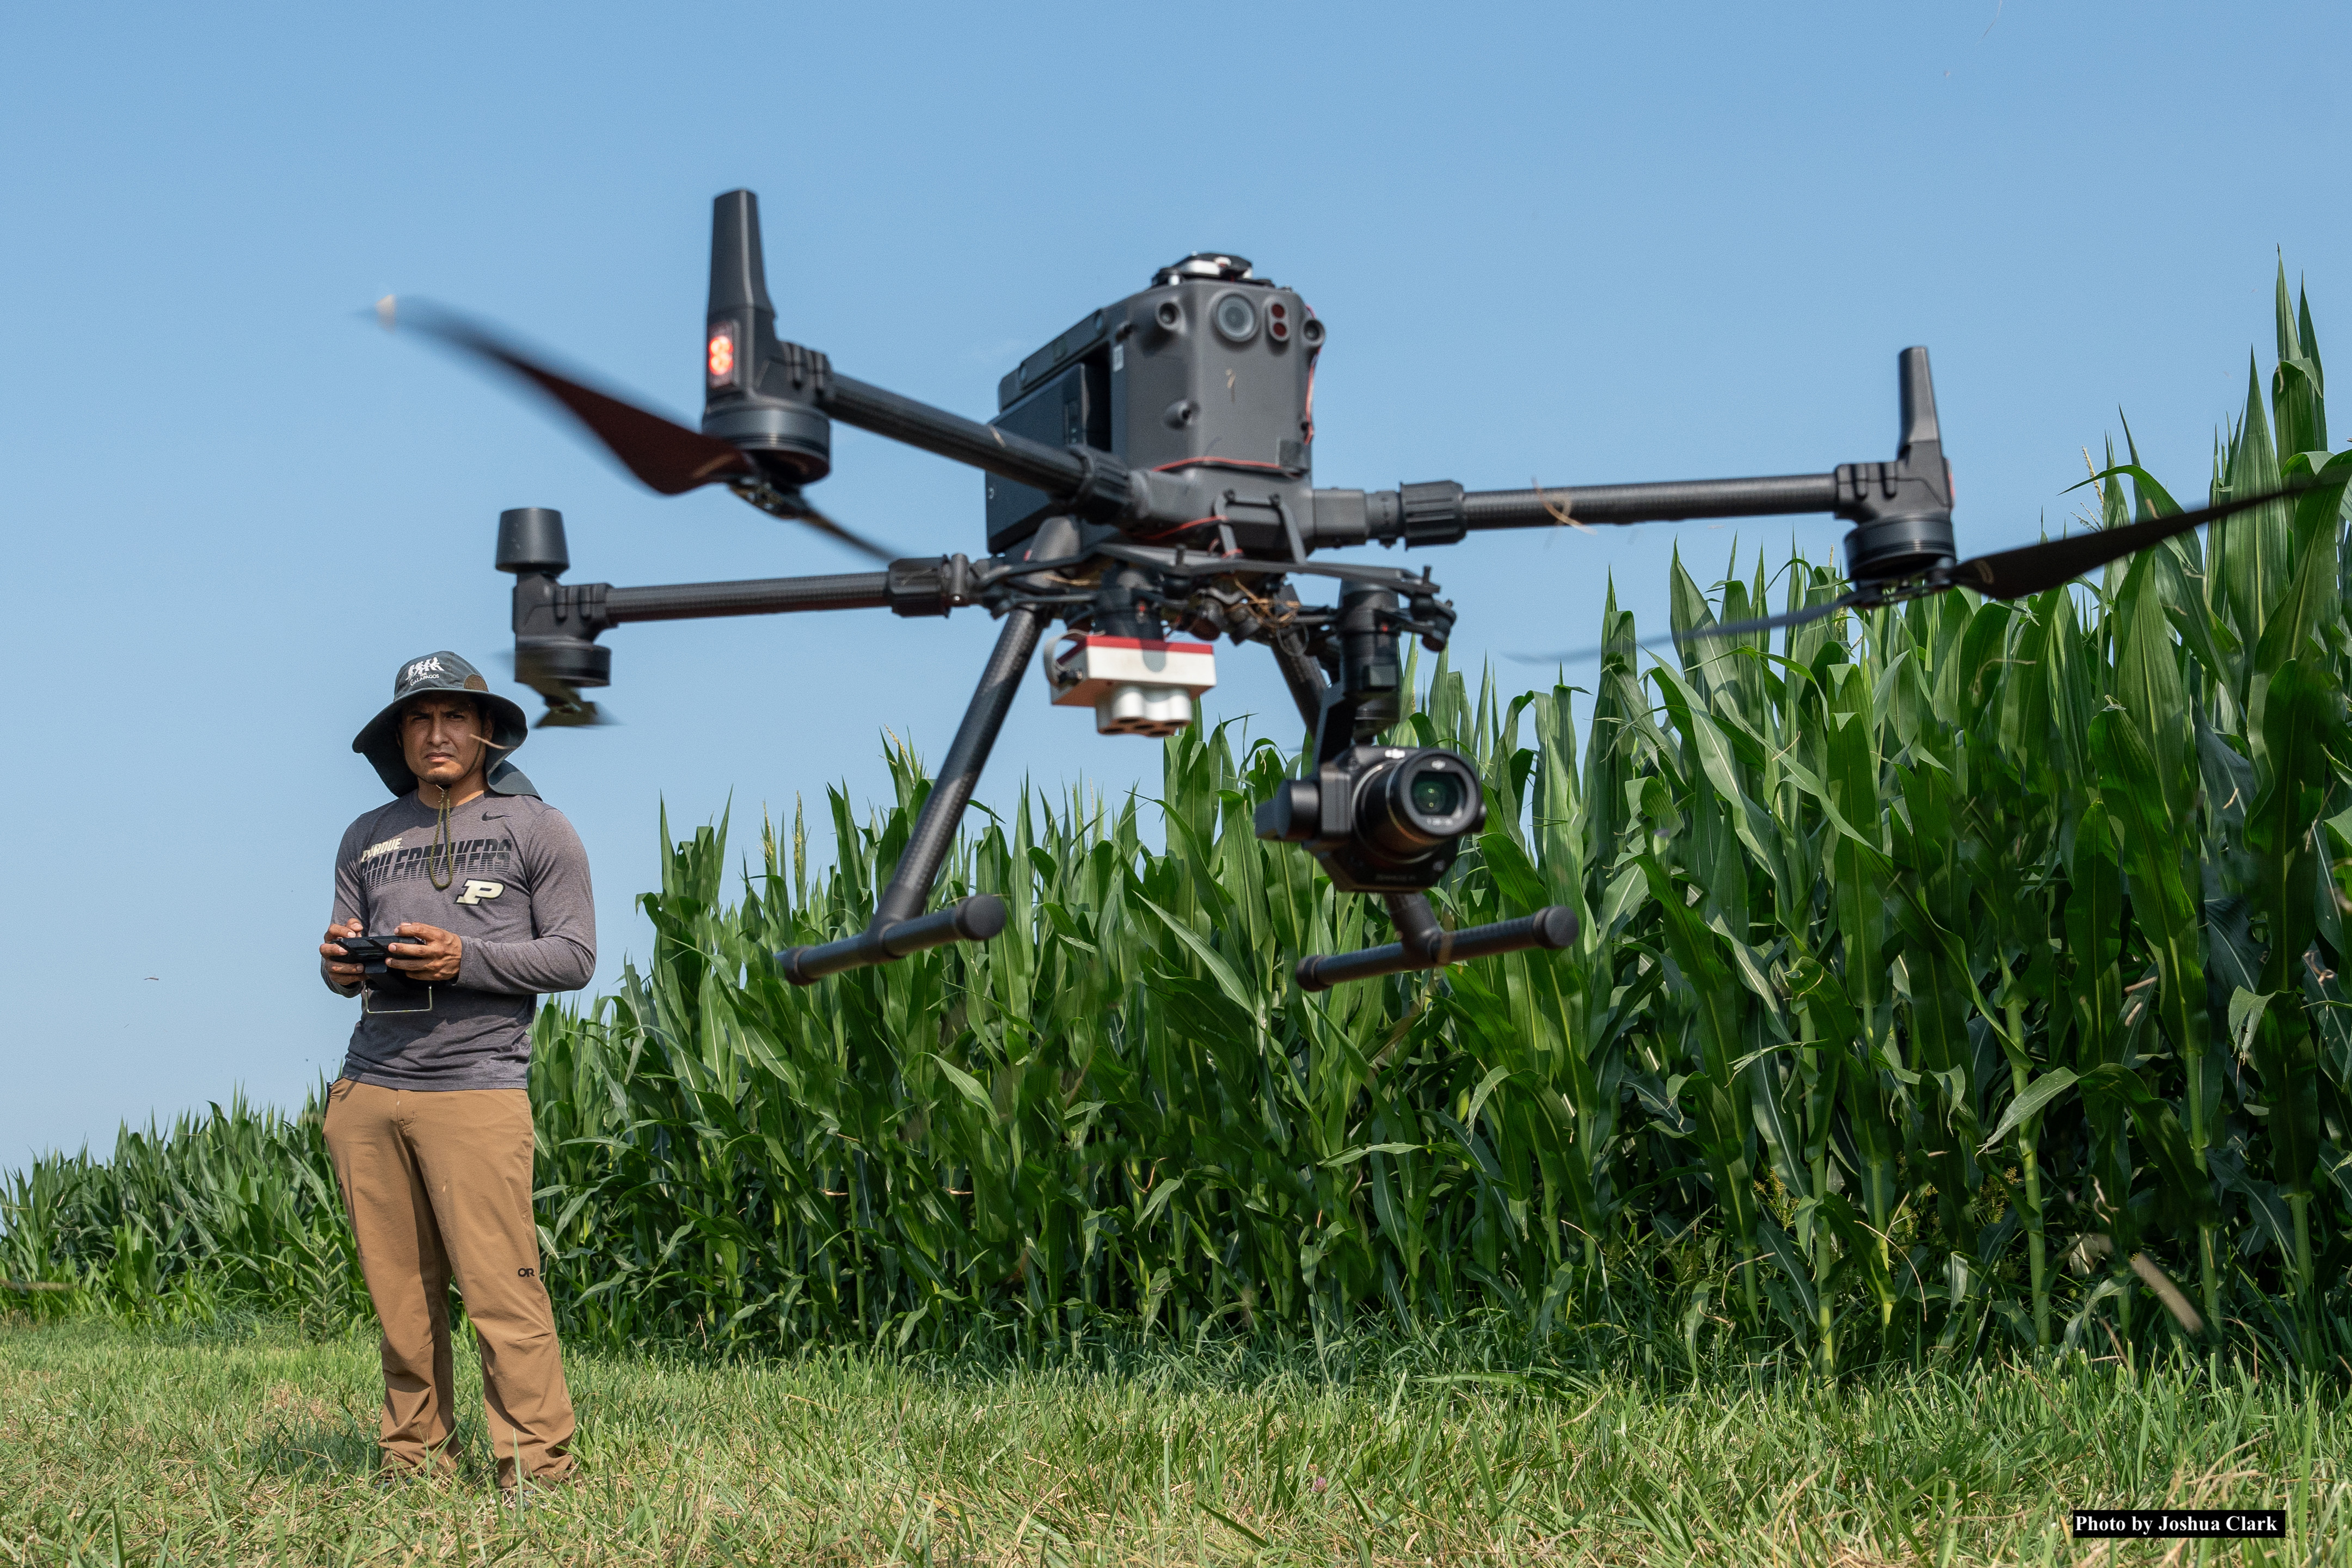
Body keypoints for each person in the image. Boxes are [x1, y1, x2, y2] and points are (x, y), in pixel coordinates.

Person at [316, 650, 594, 1498]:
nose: (436, 733)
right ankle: (414, 1462)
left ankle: (535, 1470)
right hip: (368, 1088)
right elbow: (343, 943)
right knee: (401, 1302)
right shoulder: (367, 833)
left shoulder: (536, 827)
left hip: (476, 1087)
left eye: (453, 718)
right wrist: (337, 966)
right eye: (418, 719)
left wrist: (461, 957)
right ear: (399, 734)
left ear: (484, 732)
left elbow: (574, 955)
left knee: (501, 1292)